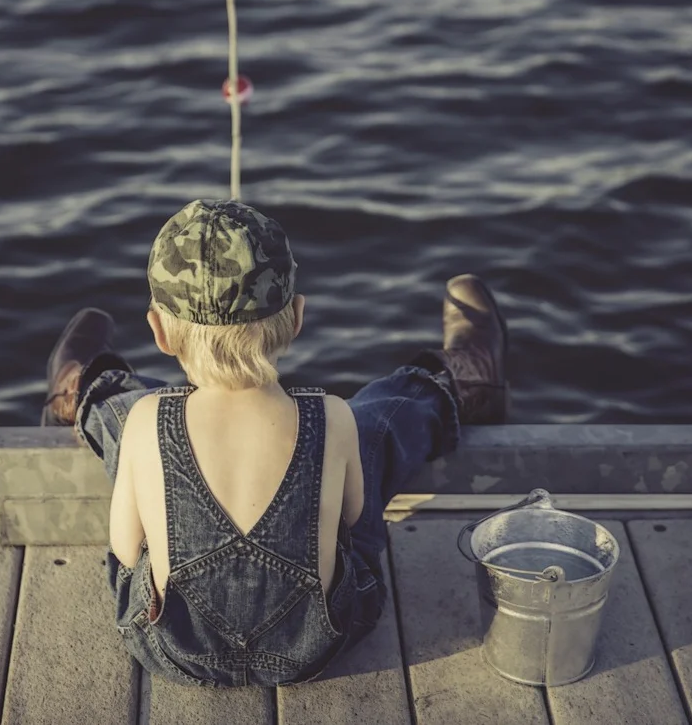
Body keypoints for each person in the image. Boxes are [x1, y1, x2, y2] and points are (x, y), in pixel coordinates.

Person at [40, 199, 508, 688]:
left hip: (175, 649)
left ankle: (89, 387)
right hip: (318, 645)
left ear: (159, 331)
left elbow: (127, 552)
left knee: (130, 417)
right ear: (298, 316)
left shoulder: (146, 419)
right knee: (372, 426)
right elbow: (354, 520)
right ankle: (454, 383)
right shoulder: (332, 416)